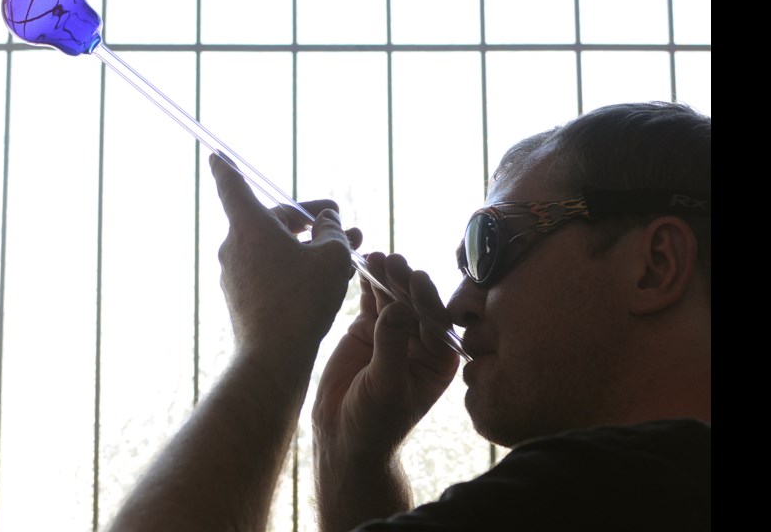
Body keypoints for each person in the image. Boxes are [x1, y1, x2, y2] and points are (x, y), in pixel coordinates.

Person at [106, 101, 710, 531]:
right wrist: (351, 452)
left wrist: (273, 343)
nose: (459, 304)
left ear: (655, 264)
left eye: (491, 245)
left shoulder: (587, 494)